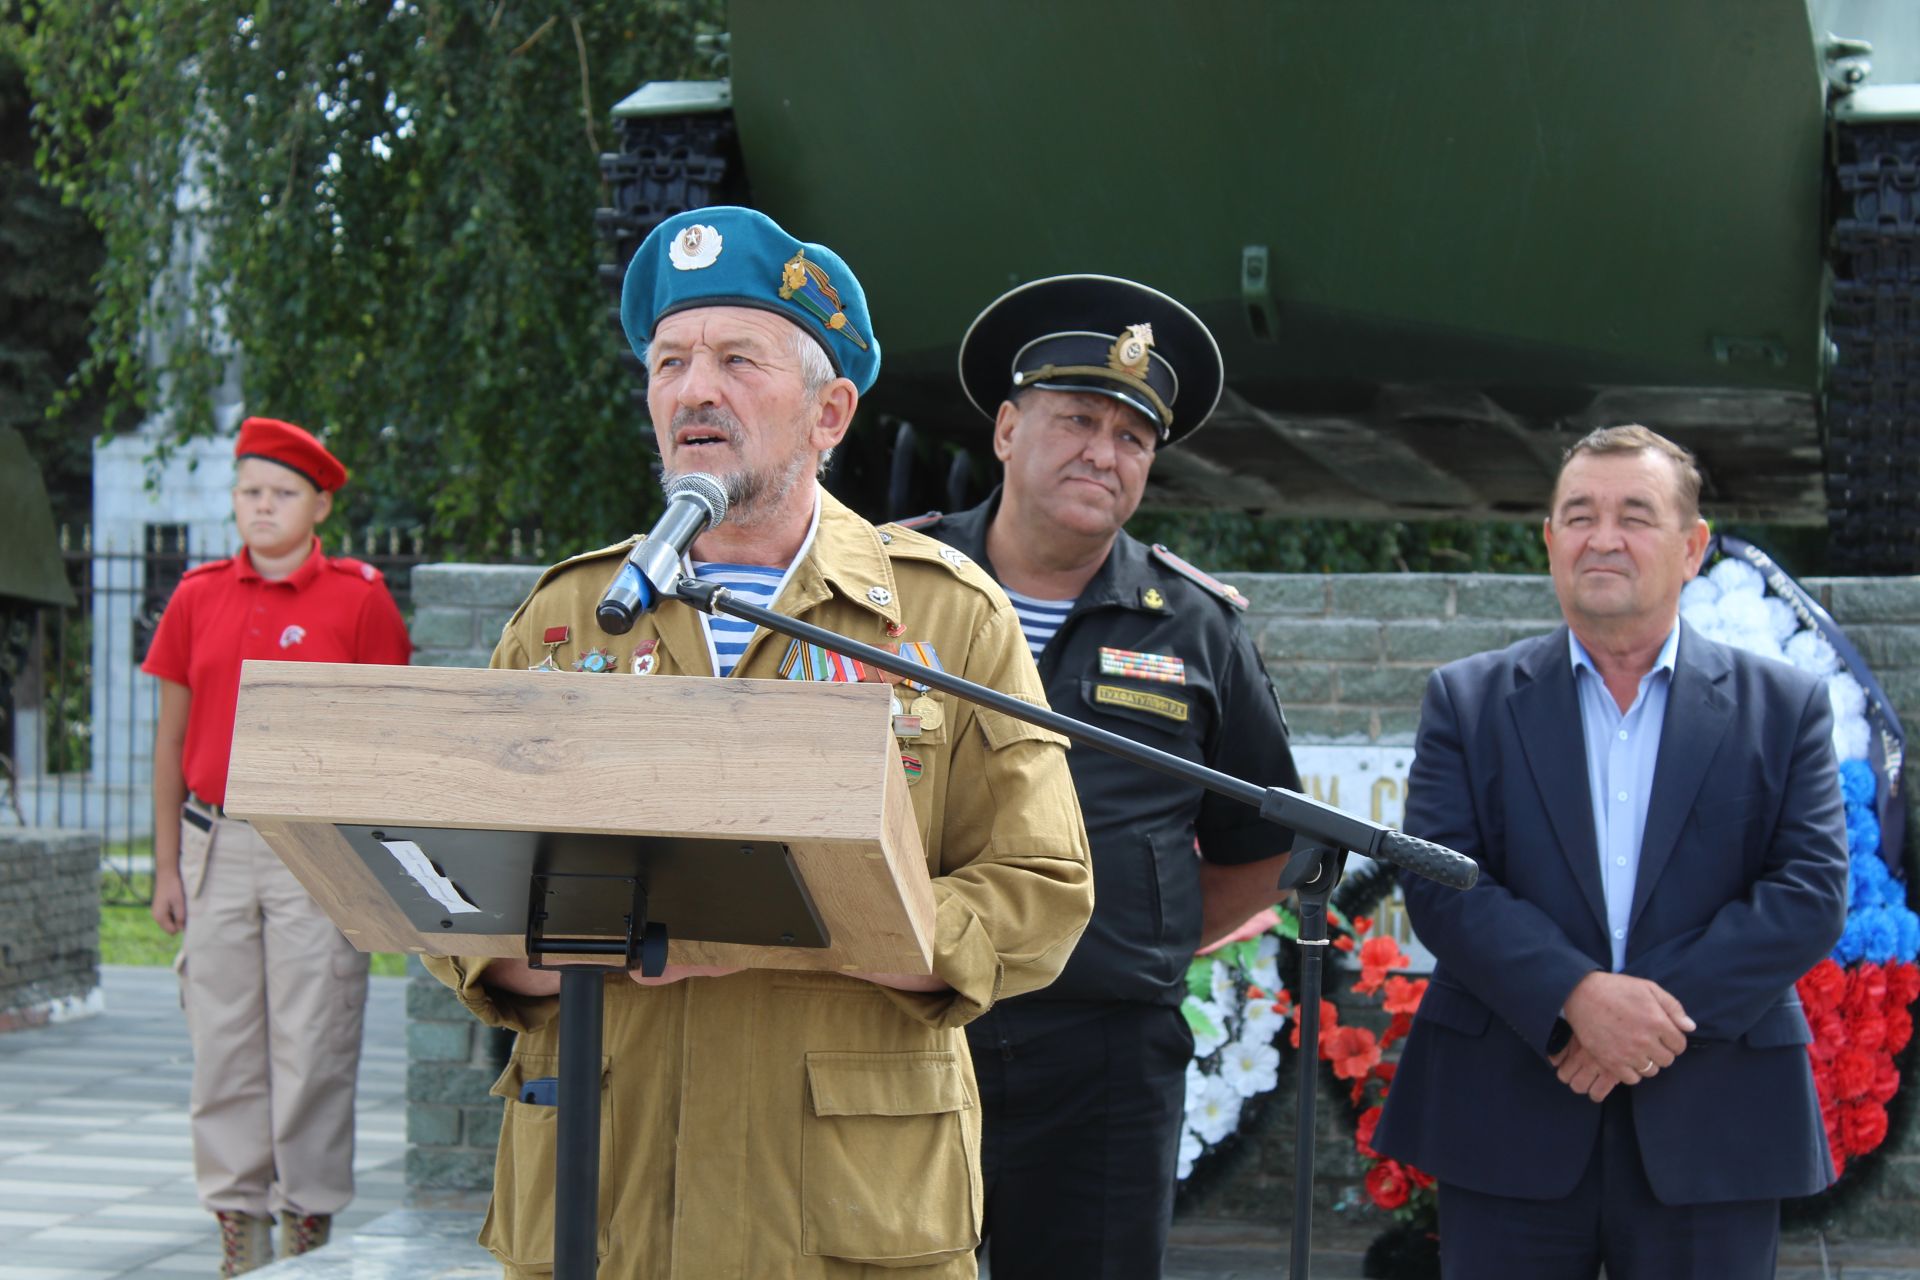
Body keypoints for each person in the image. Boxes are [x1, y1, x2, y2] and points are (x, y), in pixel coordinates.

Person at [421, 207, 1094, 1280]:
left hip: (848, 1214)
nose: (696, 389)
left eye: (739, 360)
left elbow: (1043, 888)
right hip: (607, 1198)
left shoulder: (946, 616)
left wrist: (807, 925)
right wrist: (606, 942)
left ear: (830, 413)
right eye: (671, 362)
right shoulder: (568, 615)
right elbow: (458, 902)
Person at [1373, 425, 1849, 1278]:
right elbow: (1443, 884)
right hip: (1510, 1115)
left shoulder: (1783, 708)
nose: (1603, 537)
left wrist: (1638, 1018)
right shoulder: (1468, 700)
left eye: (1635, 514)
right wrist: (1575, 997)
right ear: (1550, 541)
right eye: (1580, 514)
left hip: (1716, 1126)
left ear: (1693, 546)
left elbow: (1809, 895)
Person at [903, 275, 1301, 1280]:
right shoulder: (887, 583)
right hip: (896, 1018)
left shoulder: (1197, 624)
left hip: (1105, 1057)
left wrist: (1132, 929)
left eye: (1132, 436)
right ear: (1004, 428)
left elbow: (1263, 845)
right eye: (1077, 418)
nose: (1103, 451)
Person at [143, 417, 413, 1276]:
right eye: (249, 492)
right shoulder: (197, 595)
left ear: (320, 504)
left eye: (281, 494)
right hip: (215, 842)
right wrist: (163, 866)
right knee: (223, 1042)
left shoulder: (359, 597)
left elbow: (385, 740)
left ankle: (308, 1223)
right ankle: (239, 1227)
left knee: (312, 1042)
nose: (262, 508)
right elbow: (168, 741)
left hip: (314, 848)